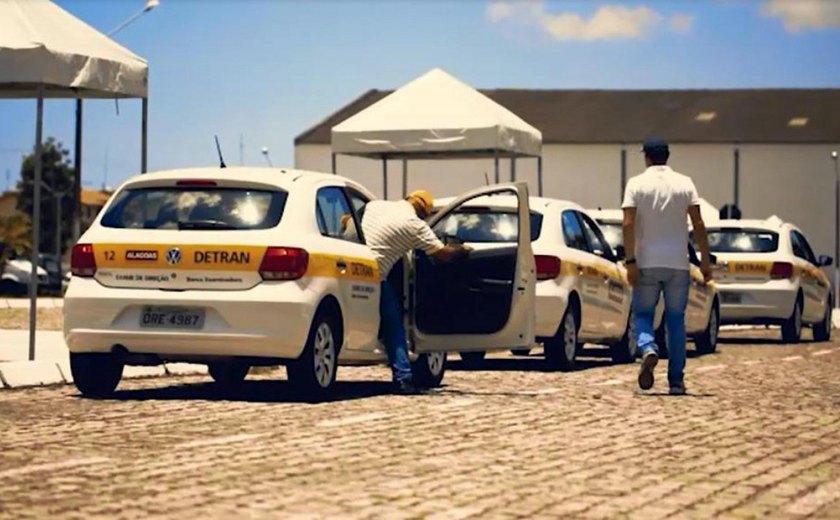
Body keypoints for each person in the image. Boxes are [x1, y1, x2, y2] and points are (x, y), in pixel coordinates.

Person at [621, 138, 712, 395]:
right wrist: (705, 261)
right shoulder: (685, 183)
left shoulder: (636, 184)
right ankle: (676, 380)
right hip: (678, 263)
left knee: (642, 315)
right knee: (675, 320)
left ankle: (648, 347)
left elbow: (628, 223)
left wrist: (630, 261)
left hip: (647, 261)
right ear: (667, 156)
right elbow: (698, 223)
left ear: (647, 157)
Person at [361, 189, 470, 394]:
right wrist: (463, 251)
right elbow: (442, 255)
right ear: (424, 212)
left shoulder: (375, 206)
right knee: (394, 324)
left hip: (353, 270)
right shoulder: (415, 225)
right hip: (376, 277)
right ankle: (403, 378)